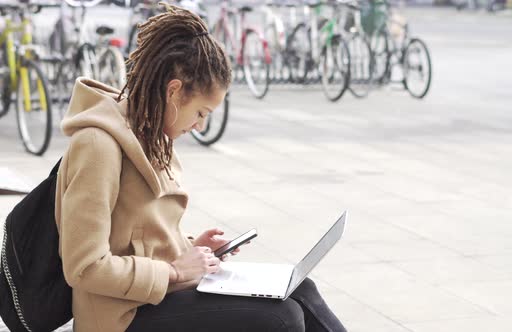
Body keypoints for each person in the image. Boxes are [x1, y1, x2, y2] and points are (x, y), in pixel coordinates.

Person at [54, 3, 346, 332]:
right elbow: (84, 267)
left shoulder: (149, 133)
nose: (199, 126)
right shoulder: (97, 146)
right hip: (119, 318)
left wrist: (192, 248)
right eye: (201, 113)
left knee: (299, 291)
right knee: (281, 317)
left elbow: (137, 233)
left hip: (155, 297)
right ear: (174, 91)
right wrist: (177, 271)